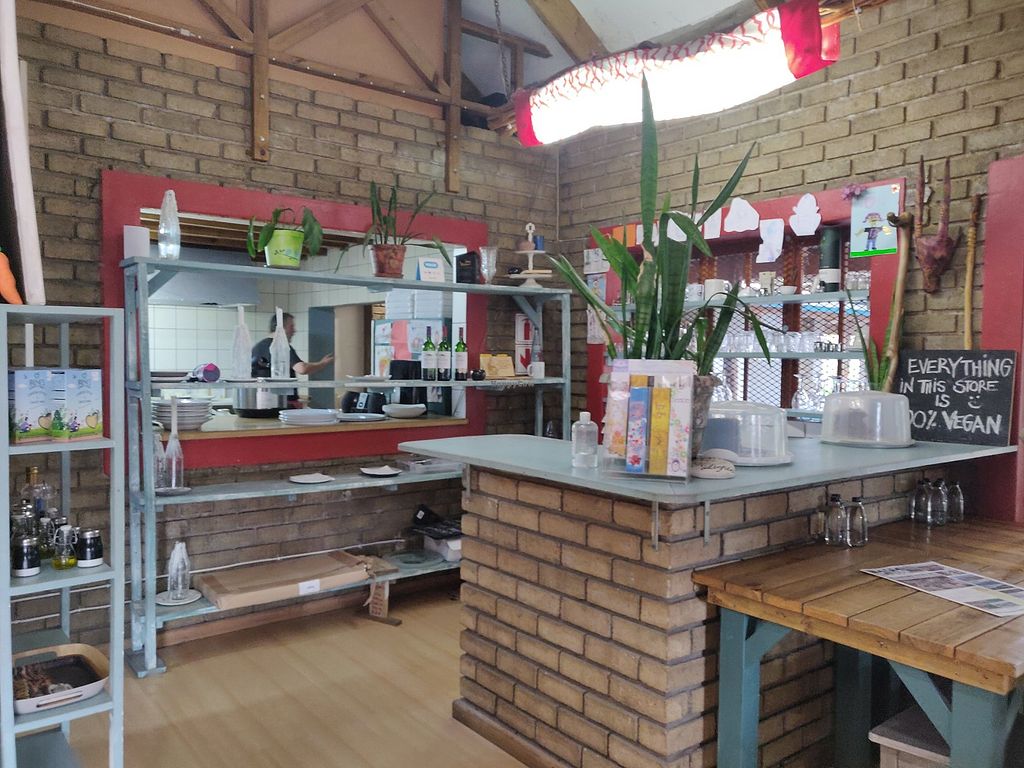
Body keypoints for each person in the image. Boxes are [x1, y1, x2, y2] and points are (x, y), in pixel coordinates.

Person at [251, 312, 334, 407]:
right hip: (282, 403)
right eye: (291, 327)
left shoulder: (257, 347)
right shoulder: (281, 346)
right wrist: (322, 364)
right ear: (281, 328)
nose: (294, 331)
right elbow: (302, 368)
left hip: (262, 402)